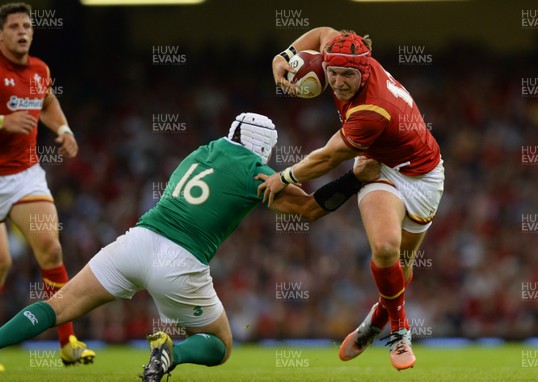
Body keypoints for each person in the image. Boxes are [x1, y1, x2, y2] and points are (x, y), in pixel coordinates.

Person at [0, 112, 380, 382]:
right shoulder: (255, 170)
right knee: (220, 344)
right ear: (264, 148)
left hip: (137, 241)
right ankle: (172, 353)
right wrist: (353, 179)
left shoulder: (201, 151)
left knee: (58, 306)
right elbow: (312, 209)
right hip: (179, 262)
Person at [260, 27, 444, 371]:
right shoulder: (343, 51)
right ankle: (401, 331)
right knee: (387, 248)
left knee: (402, 267)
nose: (339, 82)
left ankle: (376, 320)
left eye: (348, 75)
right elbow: (322, 32)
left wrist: (284, 176)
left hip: (423, 176)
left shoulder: (373, 110)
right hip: (378, 168)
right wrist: (283, 56)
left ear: (365, 68)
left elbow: (328, 159)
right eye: (333, 72)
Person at [0, 2, 94, 366]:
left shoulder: (39, 70)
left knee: (51, 250)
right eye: (14, 27)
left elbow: (48, 102)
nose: (22, 31)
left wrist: (65, 129)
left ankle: (68, 342)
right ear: (2, 33)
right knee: (2, 263)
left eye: (27, 26)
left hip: (24, 175)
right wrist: (4, 123)